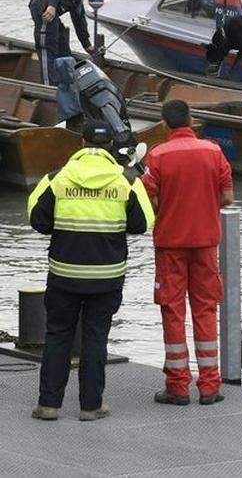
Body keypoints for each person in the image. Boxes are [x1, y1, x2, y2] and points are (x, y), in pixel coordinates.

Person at [27, 120, 154, 421]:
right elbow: (143, 223)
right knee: (96, 337)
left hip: (64, 275)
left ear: (82, 144)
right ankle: (90, 406)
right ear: (110, 146)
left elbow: (37, 219)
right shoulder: (127, 180)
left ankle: (48, 405)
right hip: (106, 277)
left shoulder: (57, 178)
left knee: (58, 335)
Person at [141, 99, 234, 406]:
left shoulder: (156, 156)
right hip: (206, 243)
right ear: (191, 120)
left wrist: (171, 209)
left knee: (173, 311)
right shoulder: (214, 152)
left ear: (165, 124)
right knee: (206, 309)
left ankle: (177, 386)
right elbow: (228, 197)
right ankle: (210, 387)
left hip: (170, 245)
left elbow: (149, 202)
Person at [29, 0, 108, 85]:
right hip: (44, 7)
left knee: (63, 48)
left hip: (52, 13)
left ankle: (67, 86)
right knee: (47, 47)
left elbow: (78, 16)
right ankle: (48, 88)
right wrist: (52, 5)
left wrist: (86, 44)